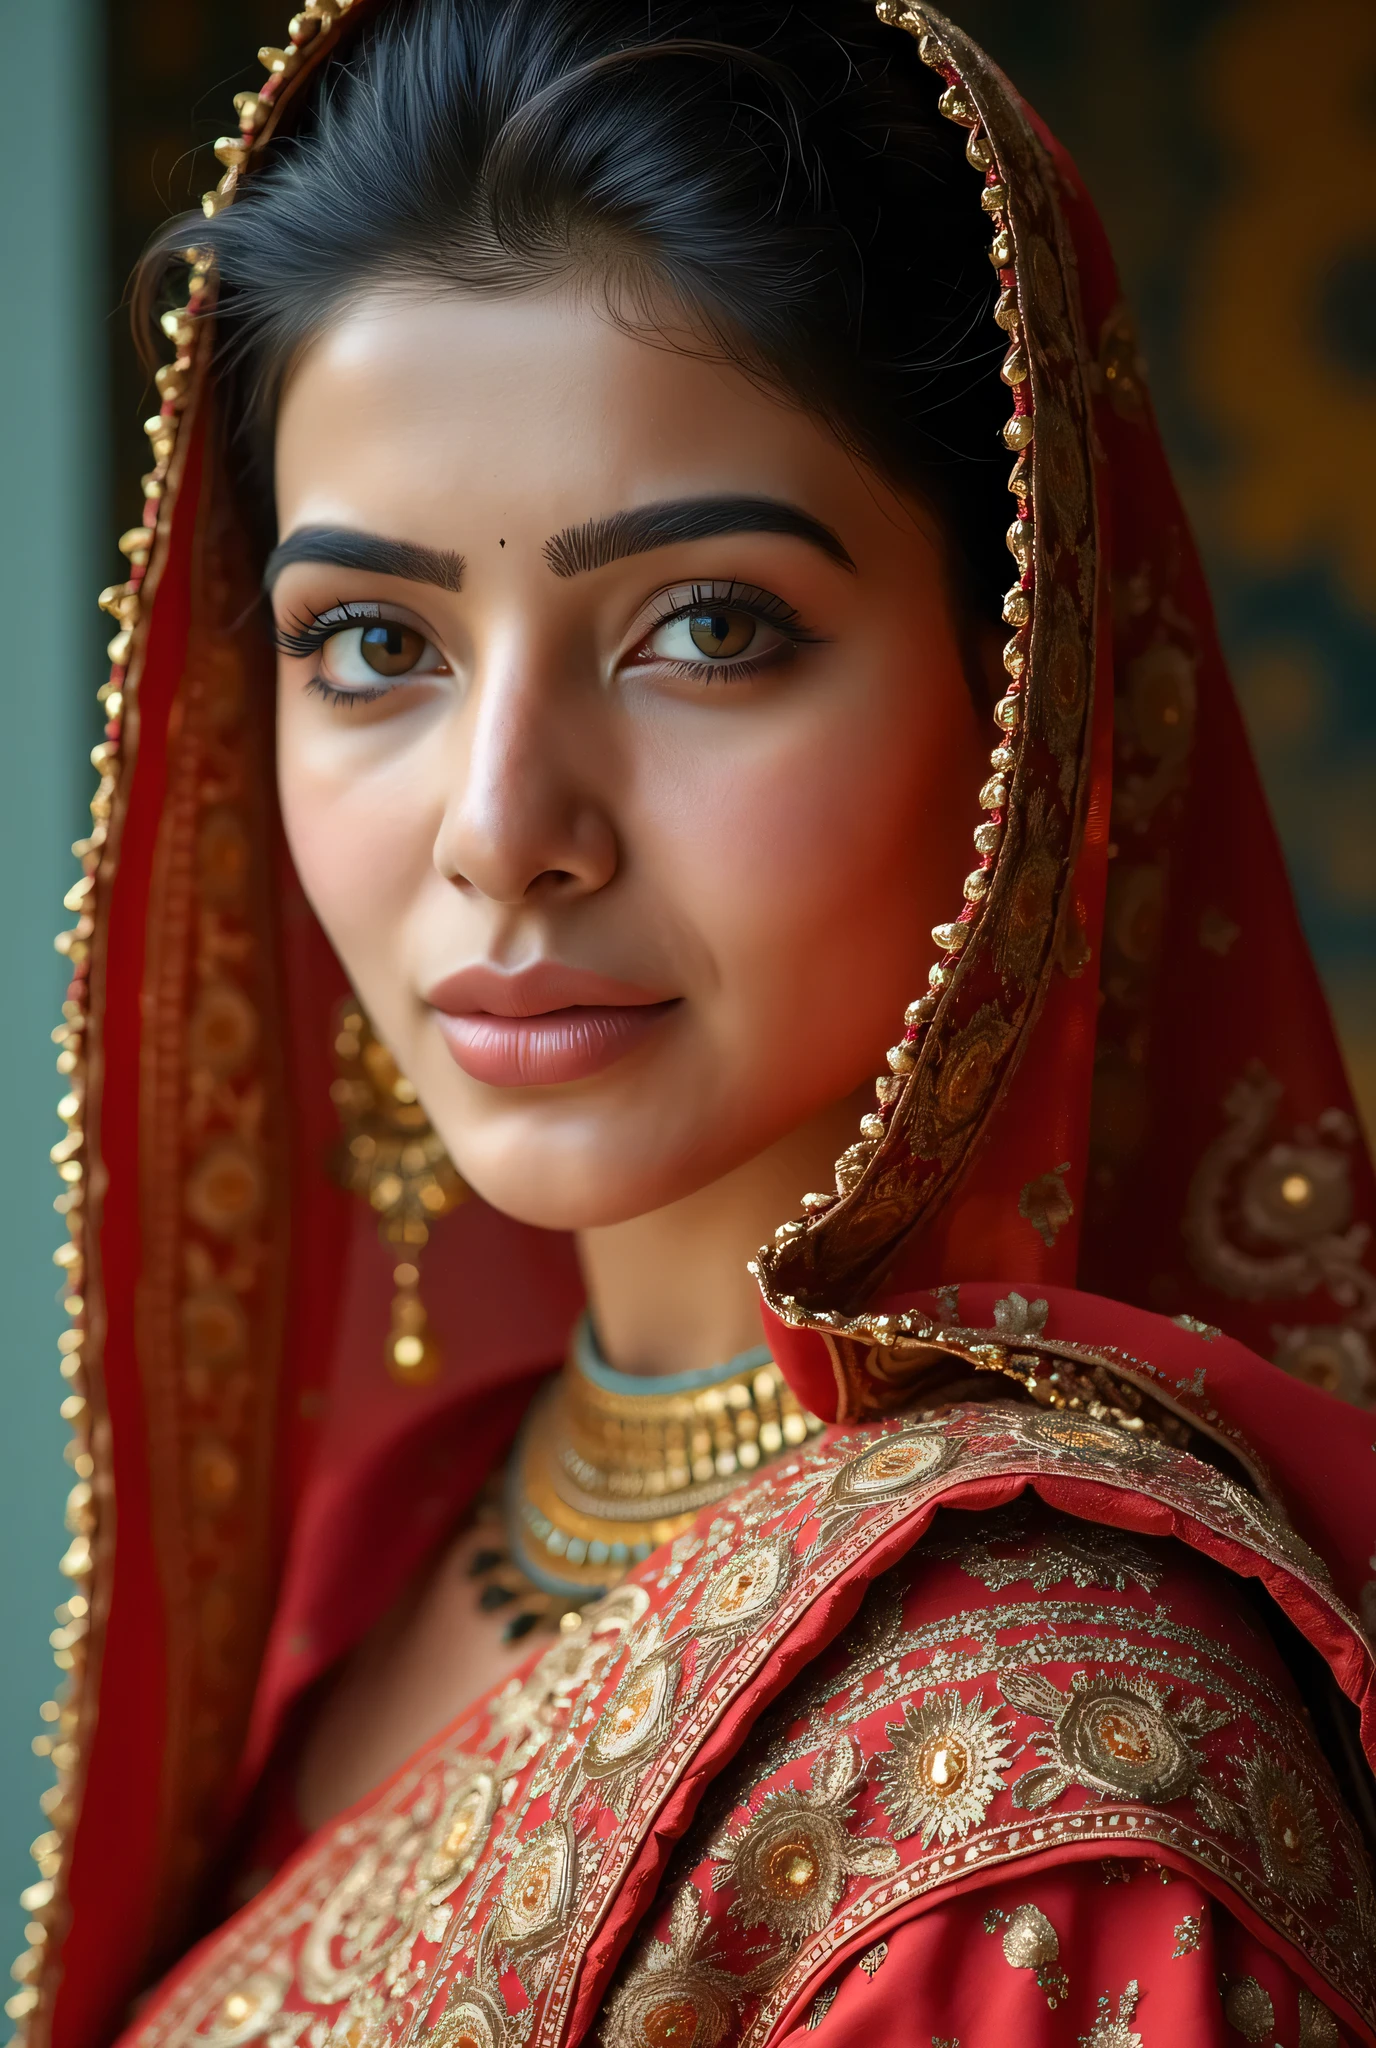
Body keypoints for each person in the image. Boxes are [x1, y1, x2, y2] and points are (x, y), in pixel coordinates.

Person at [15, 2, 1376, 2044]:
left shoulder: (1040, 1769)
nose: (502, 832)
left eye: (705, 627)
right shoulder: (402, 1537)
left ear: (1028, 689)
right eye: (372, 643)